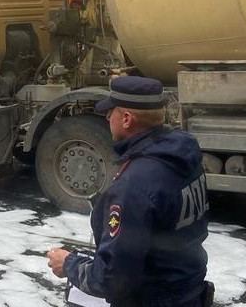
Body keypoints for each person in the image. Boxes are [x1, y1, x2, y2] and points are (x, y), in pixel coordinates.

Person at [46, 76, 213, 307]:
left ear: (126, 119)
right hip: (188, 291)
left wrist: (69, 265)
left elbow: (113, 280)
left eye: (110, 112)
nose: (106, 117)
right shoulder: (183, 156)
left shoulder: (134, 185)